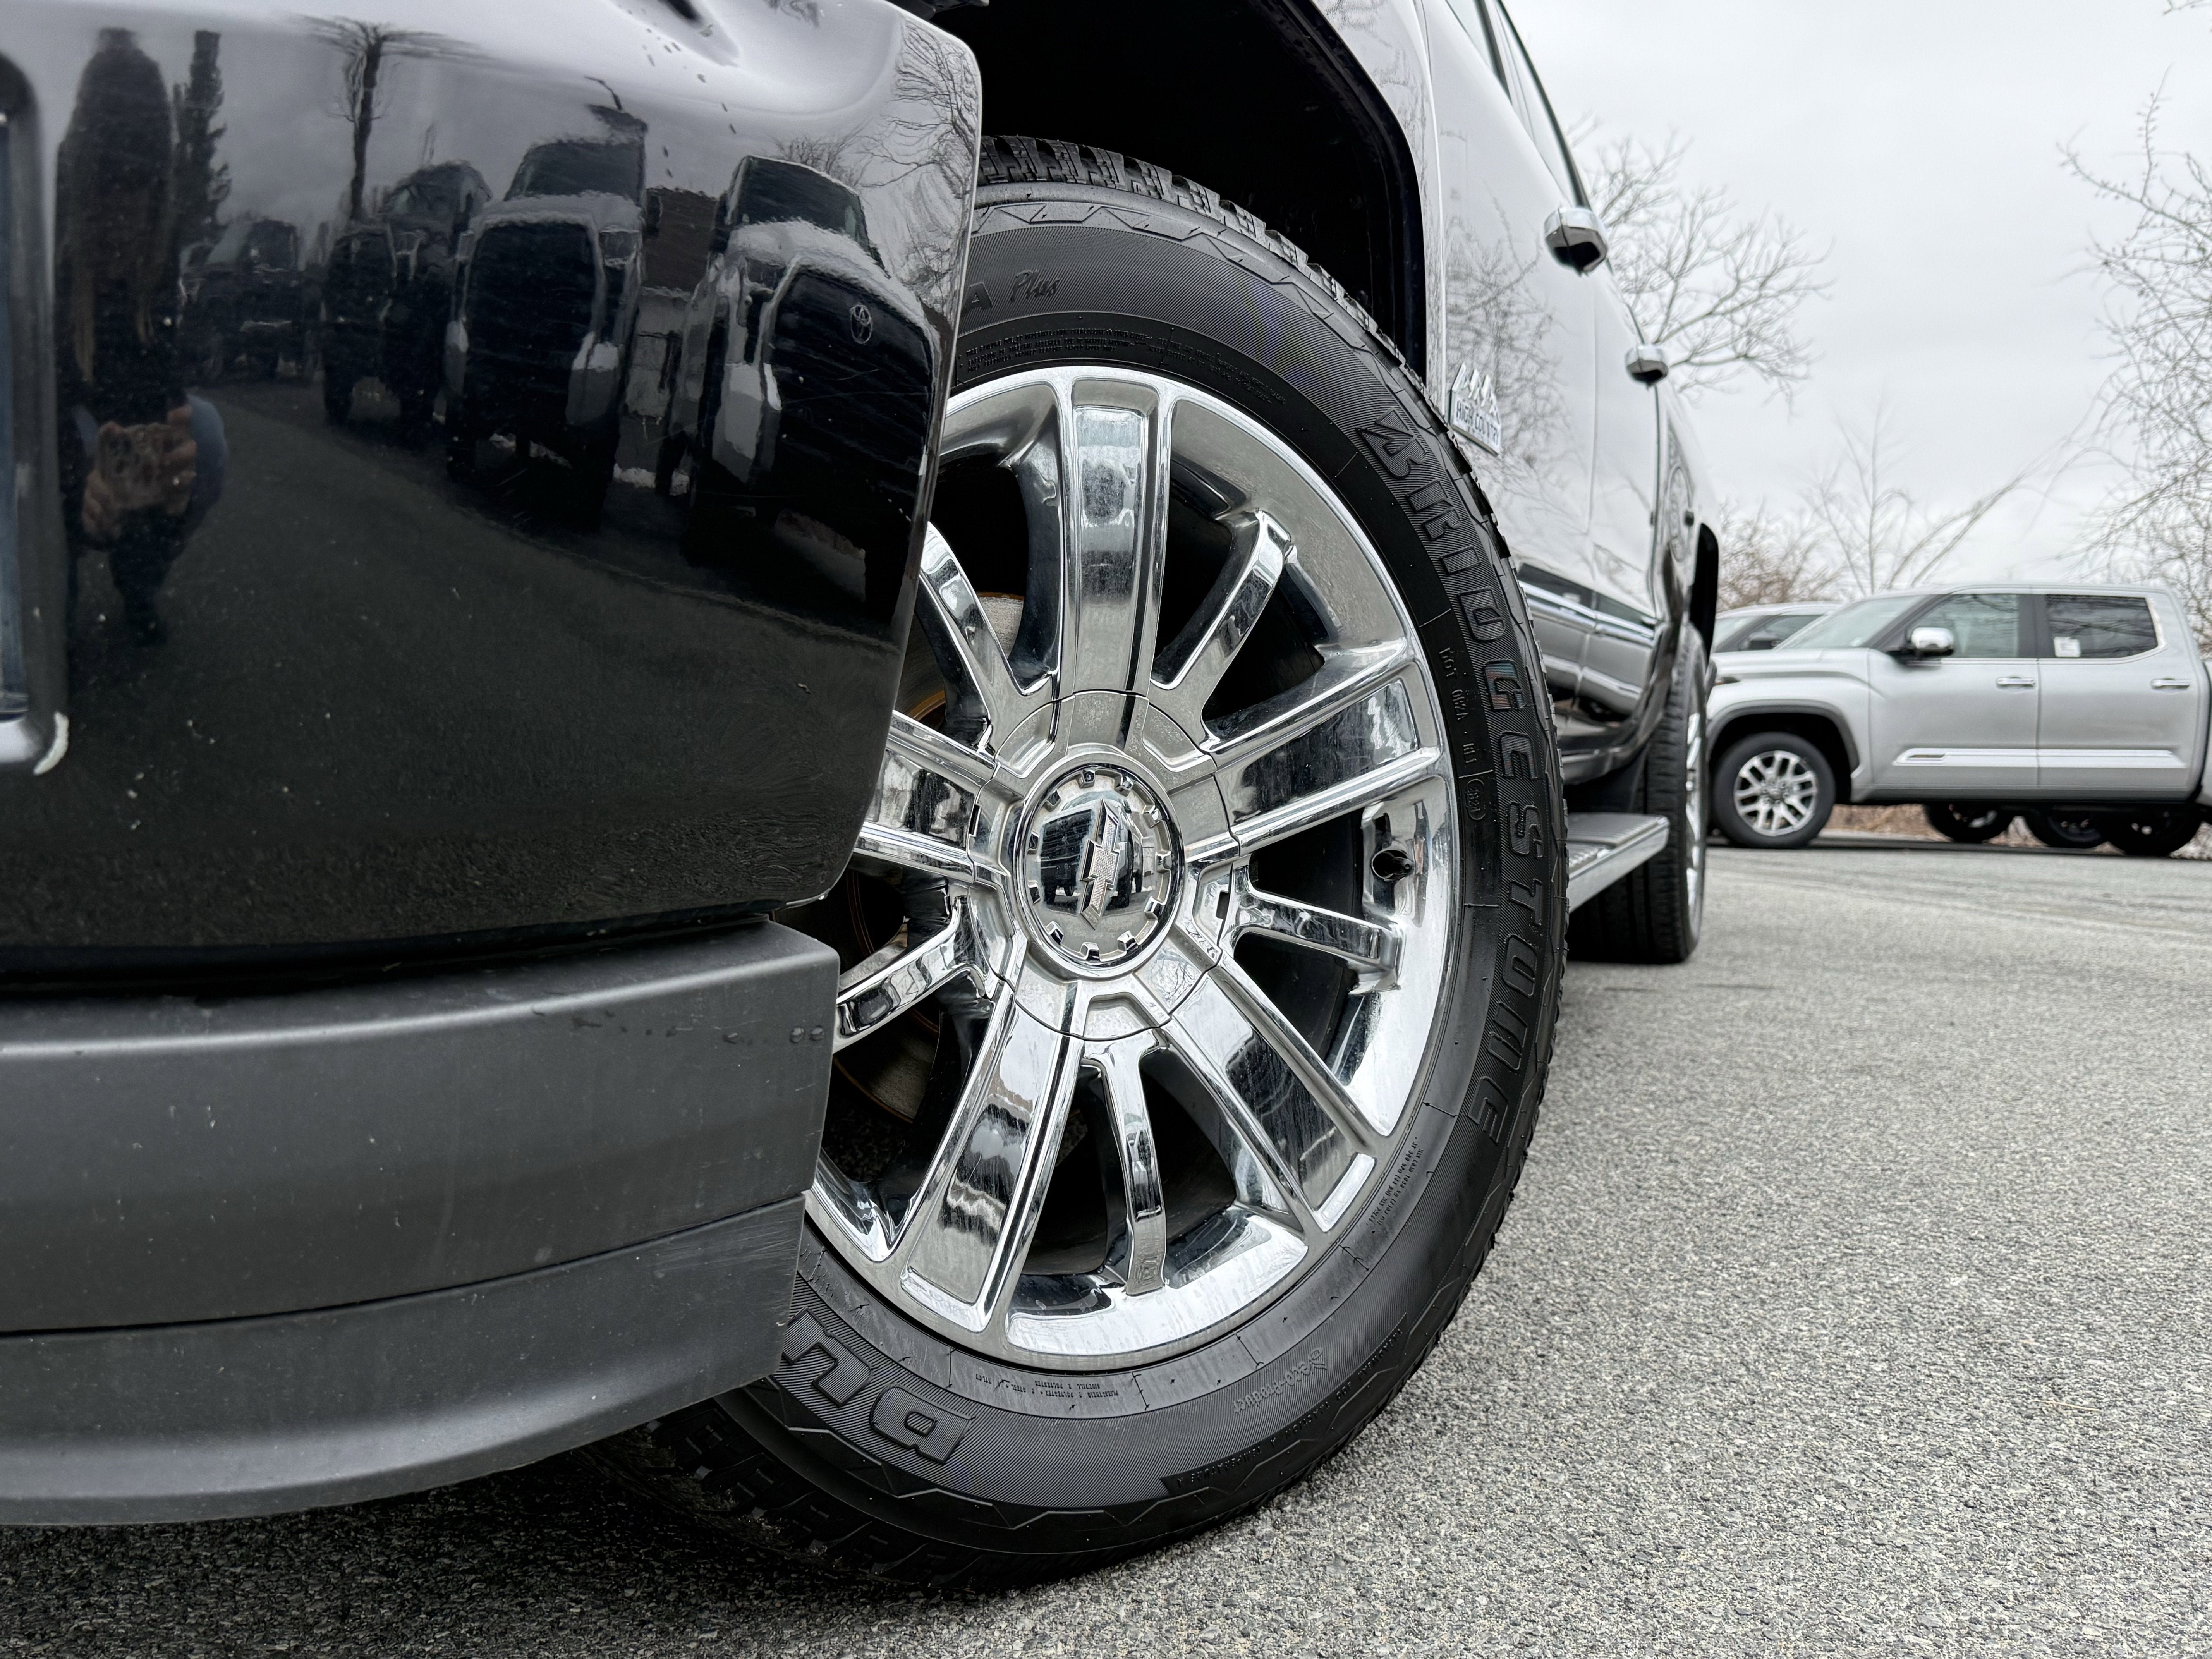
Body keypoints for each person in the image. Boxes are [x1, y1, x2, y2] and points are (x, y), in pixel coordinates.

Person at [53, 28, 226, 646]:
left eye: (143, 191)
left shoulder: (159, 249)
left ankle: (138, 578)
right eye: (110, 187)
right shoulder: (43, 245)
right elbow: (30, 403)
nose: (125, 215)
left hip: (113, 421)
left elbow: (161, 379)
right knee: (59, 445)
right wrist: (79, 489)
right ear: (81, 182)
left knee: (205, 436)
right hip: (66, 424)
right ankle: (51, 597)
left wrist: (168, 476)